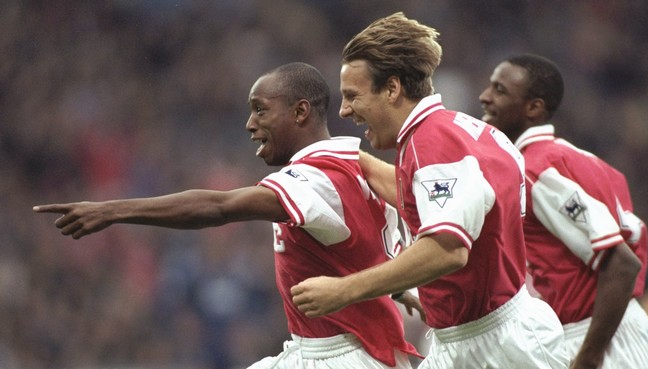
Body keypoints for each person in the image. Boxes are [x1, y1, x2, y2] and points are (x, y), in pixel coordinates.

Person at [33, 62, 422, 369]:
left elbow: (218, 207)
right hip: (338, 349)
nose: (250, 125)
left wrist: (113, 210)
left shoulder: (315, 179)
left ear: (300, 112)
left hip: (342, 356)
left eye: (260, 111)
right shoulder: (352, 163)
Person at [290, 13, 568, 369]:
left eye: (352, 96)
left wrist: (344, 291)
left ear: (392, 89)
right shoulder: (454, 131)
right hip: (477, 333)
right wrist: (338, 156)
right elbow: (428, 204)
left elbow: (447, 251)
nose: (344, 110)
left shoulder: (432, 145)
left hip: (498, 348)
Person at [478, 53, 648, 369]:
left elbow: (621, 263)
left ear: (534, 108)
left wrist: (589, 356)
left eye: (500, 90)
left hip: (600, 334)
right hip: (606, 327)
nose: (485, 96)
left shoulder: (537, 169)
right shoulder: (569, 156)